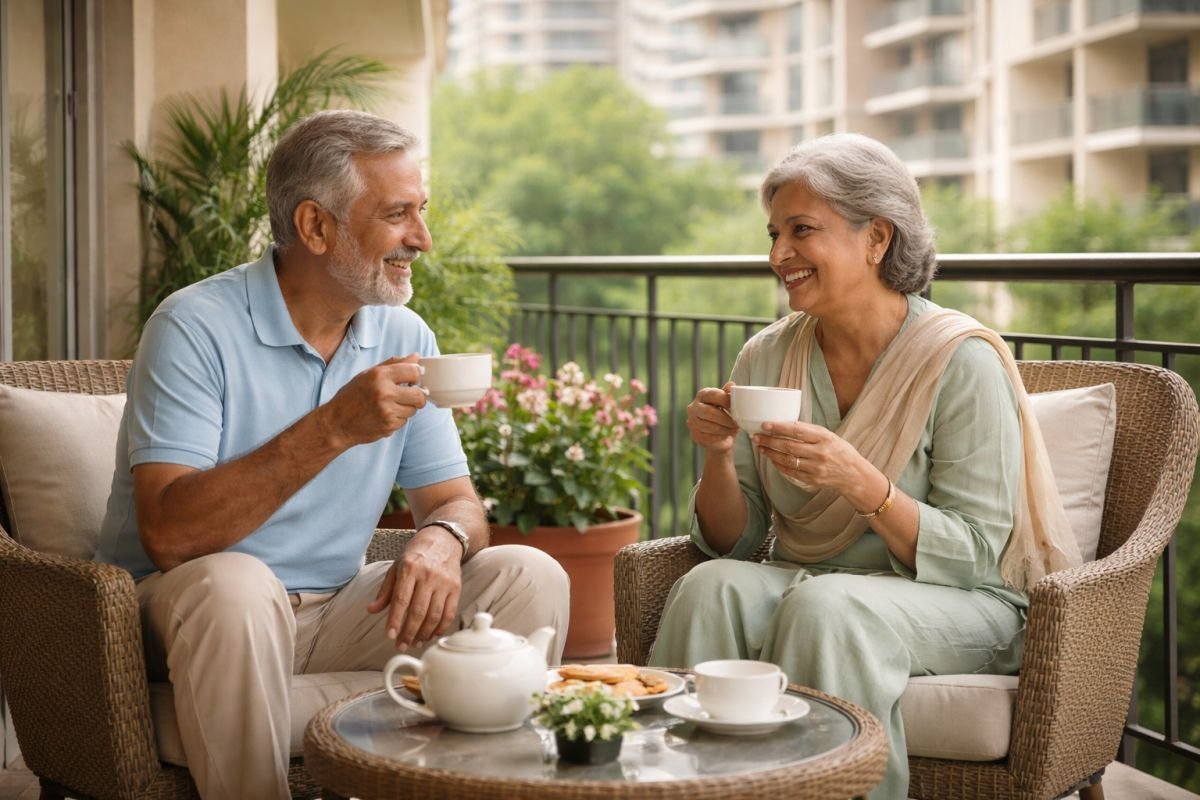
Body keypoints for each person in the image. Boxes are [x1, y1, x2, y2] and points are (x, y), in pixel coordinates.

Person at [94, 110, 569, 800]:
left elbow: (457, 502)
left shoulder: (404, 333)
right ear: (316, 227)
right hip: (187, 614)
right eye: (398, 214)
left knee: (527, 574)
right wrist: (333, 427)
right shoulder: (193, 326)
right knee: (236, 583)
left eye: (421, 212)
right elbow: (171, 536)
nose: (423, 240)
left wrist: (440, 537)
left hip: (336, 609)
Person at [648, 133, 1080, 800]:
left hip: (965, 602)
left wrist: (862, 482)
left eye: (802, 231)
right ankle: (681, 789)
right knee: (712, 587)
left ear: (876, 238)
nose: (777, 255)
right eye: (774, 234)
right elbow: (732, 541)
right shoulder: (765, 357)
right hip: (815, 580)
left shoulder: (960, 361)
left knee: (828, 606)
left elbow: (973, 552)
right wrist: (715, 453)